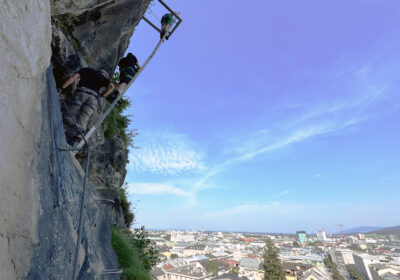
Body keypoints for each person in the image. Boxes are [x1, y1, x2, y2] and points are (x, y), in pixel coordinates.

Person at [59, 68, 114, 146]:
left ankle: (72, 127)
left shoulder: (87, 70)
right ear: (104, 74)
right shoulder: (104, 78)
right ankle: (76, 138)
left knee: (68, 115)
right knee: (84, 119)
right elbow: (111, 86)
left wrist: (62, 88)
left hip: (82, 93)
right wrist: (102, 95)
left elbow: (74, 77)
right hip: (93, 99)